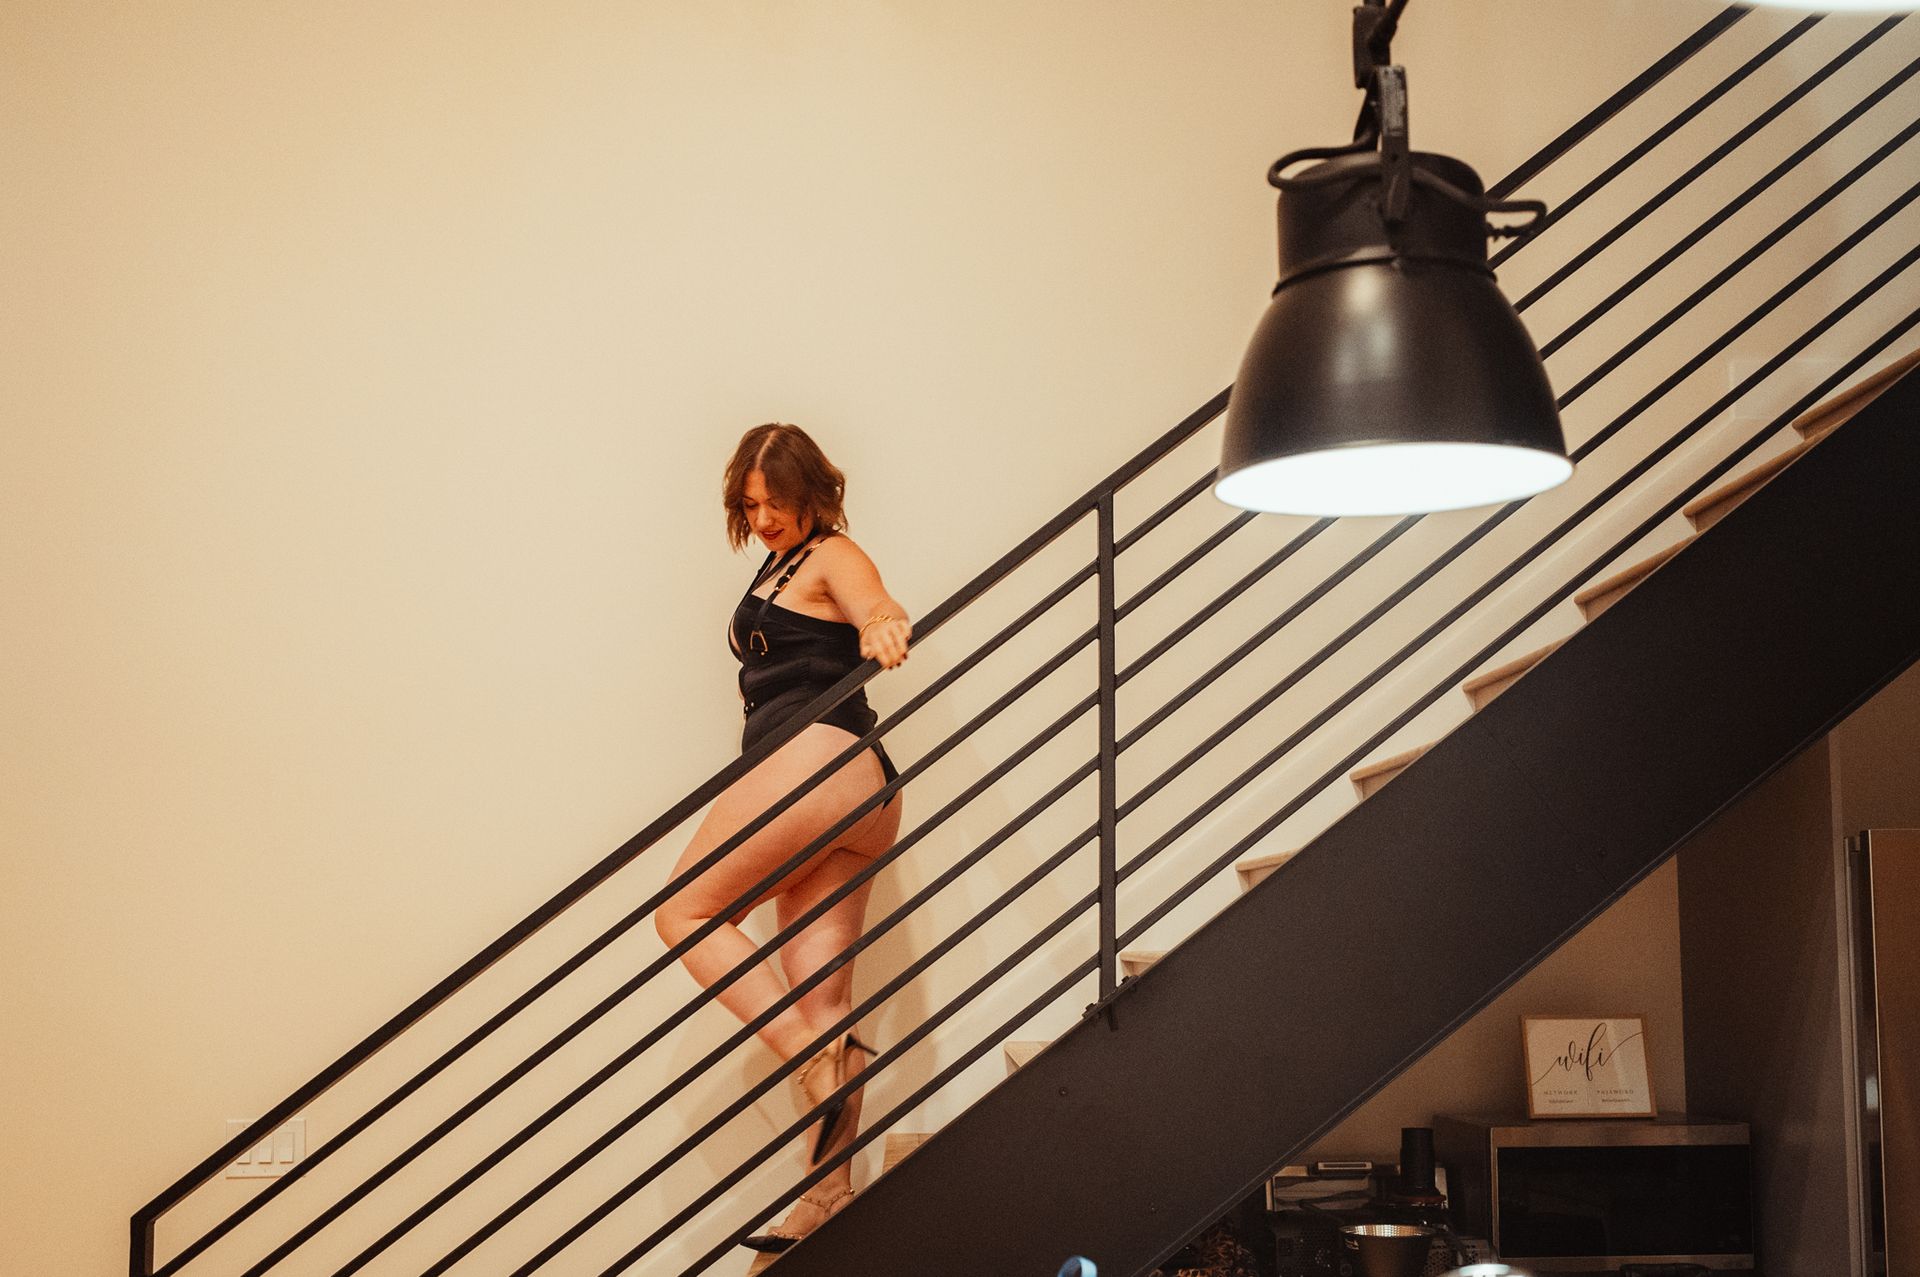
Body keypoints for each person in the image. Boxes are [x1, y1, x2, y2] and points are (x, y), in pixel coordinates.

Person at [653, 422, 911, 1253]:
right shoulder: (780, 565)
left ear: (814, 494)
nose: (762, 517)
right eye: (750, 503)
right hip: (860, 790)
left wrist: (882, 627)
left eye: (777, 501)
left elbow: (875, 602)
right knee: (826, 1000)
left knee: (683, 914)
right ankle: (827, 1195)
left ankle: (805, 1051)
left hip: (817, 760)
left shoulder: (832, 553)